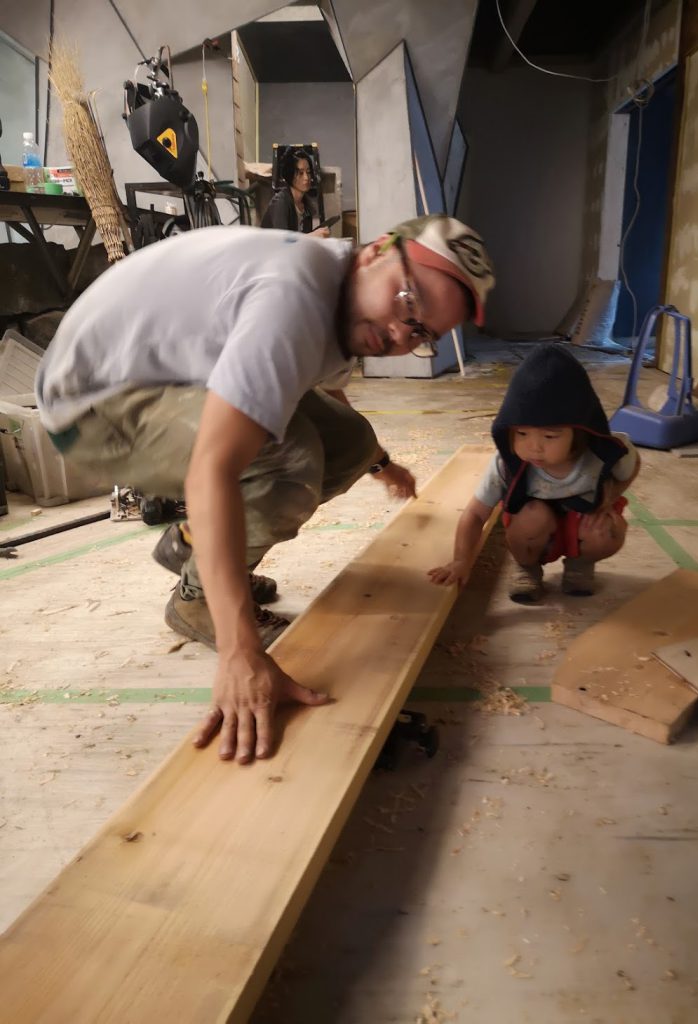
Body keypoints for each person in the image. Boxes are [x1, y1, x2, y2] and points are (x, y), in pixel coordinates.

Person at [35, 214, 495, 763]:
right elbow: (214, 468)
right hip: (93, 405)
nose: (401, 333)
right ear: (376, 251)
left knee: (348, 440)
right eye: (406, 300)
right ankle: (200, 601)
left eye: (422, 334)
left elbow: (324, 401)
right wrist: (240, 653)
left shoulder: (344, 294)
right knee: (287, 462)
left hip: (163, 373)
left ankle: (192, 544)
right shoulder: (296, 296)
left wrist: (381, 465)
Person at [428, 342, 640, 602]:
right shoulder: (508, 464)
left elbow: (633, 462)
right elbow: (474, 514)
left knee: (606, 530)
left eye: (550, 436)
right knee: (532, 517)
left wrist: (611, 496)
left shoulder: (602, 452)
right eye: (522, 433)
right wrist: (461, 560)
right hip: (533, 530)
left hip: (582, 522)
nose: (534, 447)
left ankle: (580, 566)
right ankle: (527, 568)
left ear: (581, 431)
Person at [260, 147, 329, 238]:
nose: (306, 178)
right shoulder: (280, 202)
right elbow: (283, 241)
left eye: (308, 172)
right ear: (289, 174)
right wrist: (312, 236)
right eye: (300, 173)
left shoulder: (306, 206)